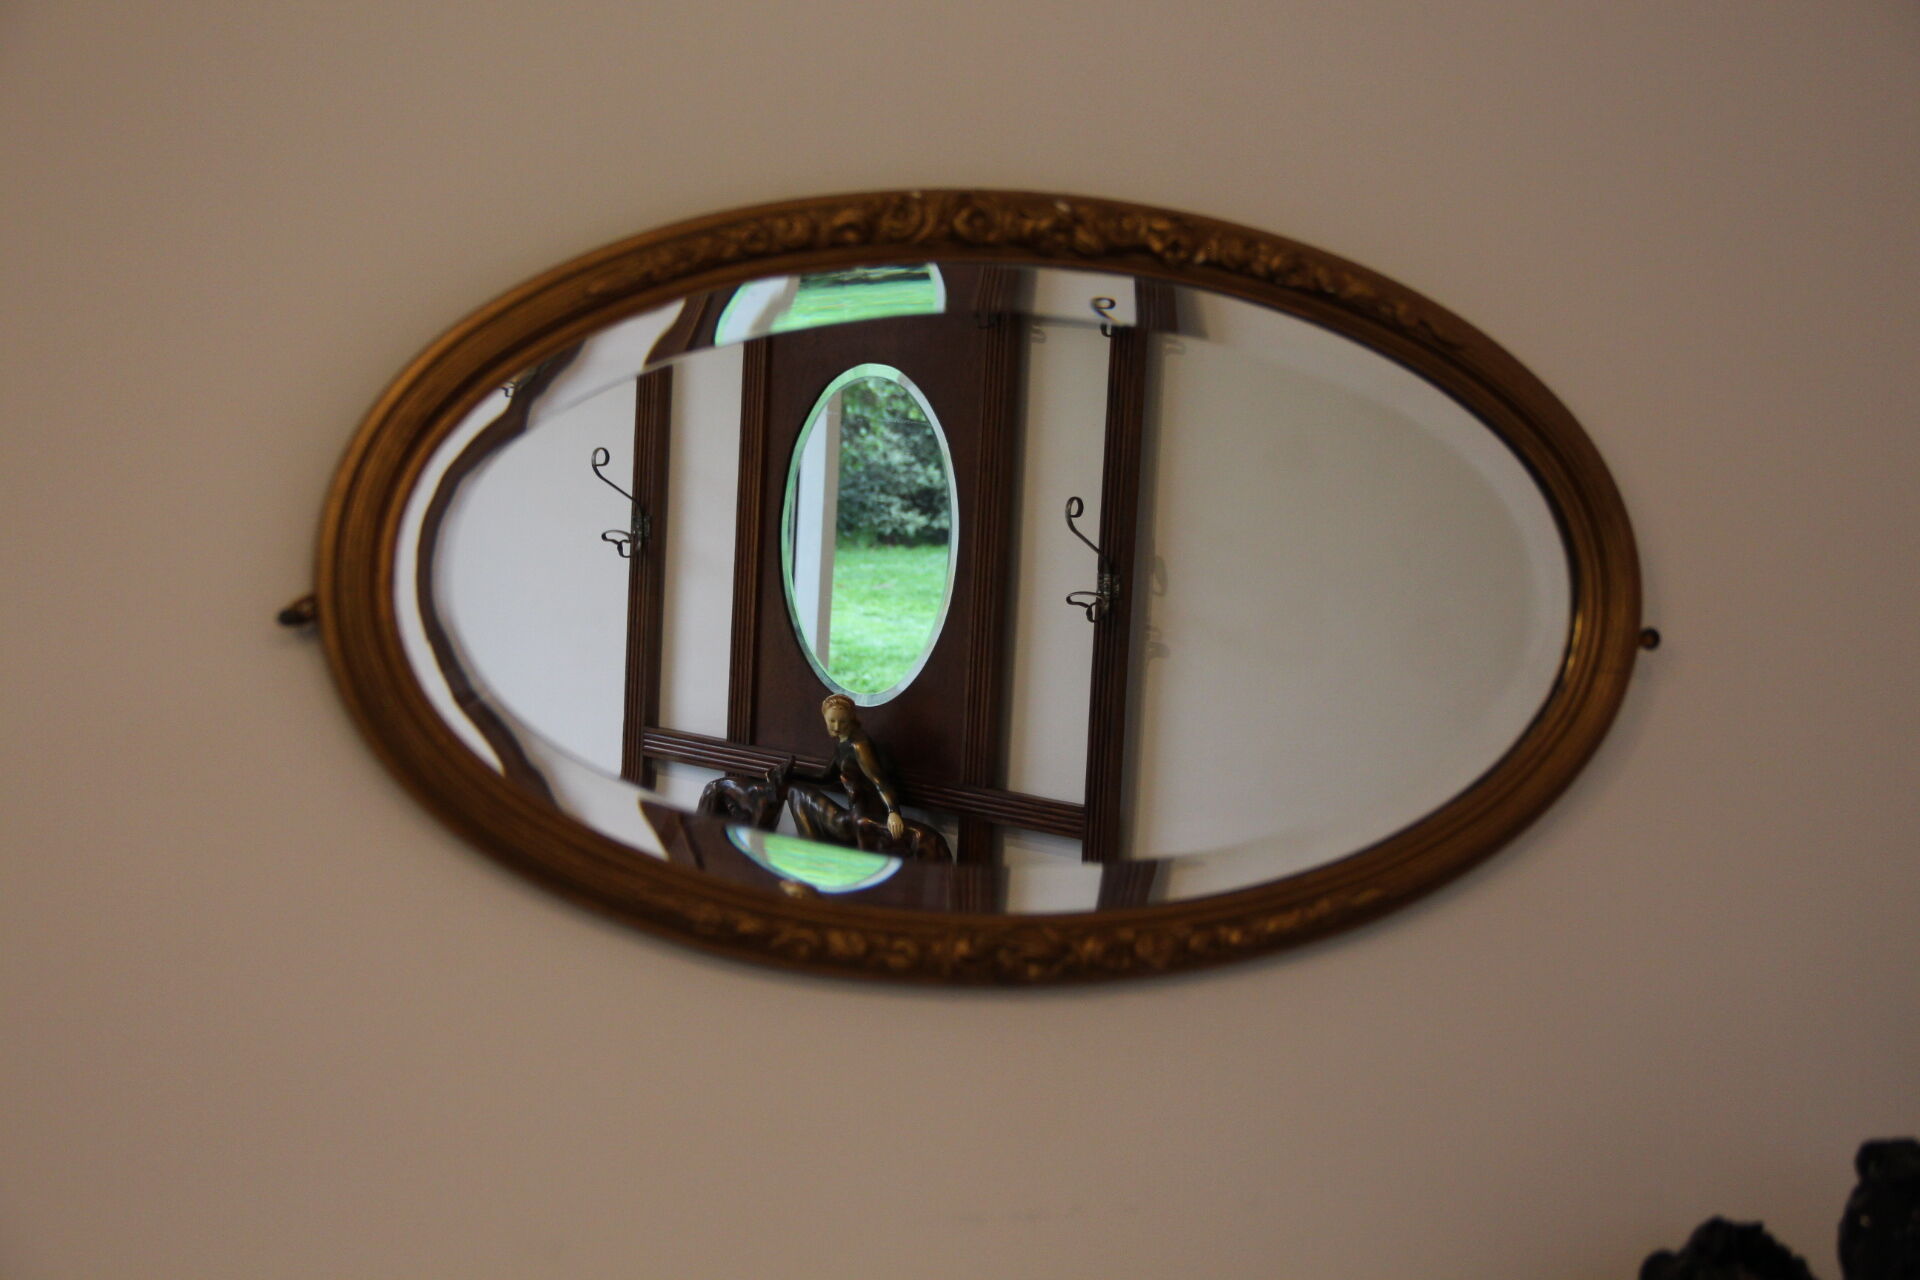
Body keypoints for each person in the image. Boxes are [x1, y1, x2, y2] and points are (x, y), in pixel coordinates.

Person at [785, 694, 950, 861]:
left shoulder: (859, 745)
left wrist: (893, 811)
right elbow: (825, 777)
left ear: (851, 719)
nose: (836, 727)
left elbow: (878, 780)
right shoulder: (842, 744)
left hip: (867, 811)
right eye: (832, 721)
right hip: (855, 808)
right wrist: (791, 774)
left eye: (842, 721)